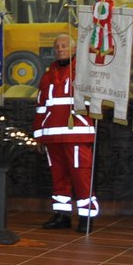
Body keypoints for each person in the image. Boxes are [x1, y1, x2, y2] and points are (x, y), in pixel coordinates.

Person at [33, 32, 98, 232]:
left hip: (77, 133)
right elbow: (41, 106)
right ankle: (62, 215)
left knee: (81, 176)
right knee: (58, 177)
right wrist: (39, 135)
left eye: (64, 45)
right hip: (52, 136)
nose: (60, 49)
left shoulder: (84, 72)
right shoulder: (48, 75)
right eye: (57, 46)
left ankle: (86, 217)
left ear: (74, 48)